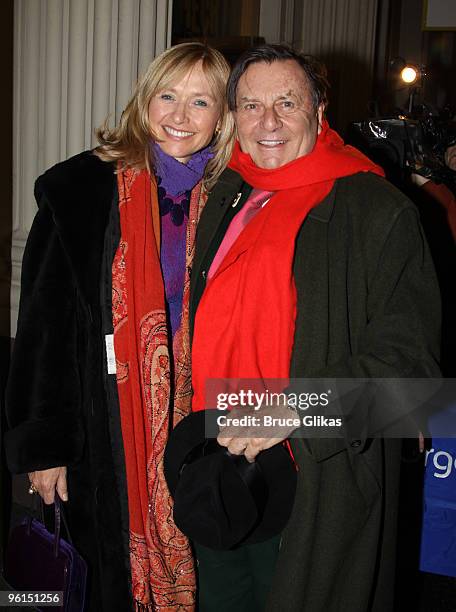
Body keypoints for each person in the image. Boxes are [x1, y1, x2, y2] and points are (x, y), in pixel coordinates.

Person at [188, 45, 441, 611]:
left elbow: (411, 377)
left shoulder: (378, 211)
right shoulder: (225, 194)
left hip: (314, 478)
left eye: (287, 103)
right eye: (251, 105)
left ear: (320, 109)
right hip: (216, 462)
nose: (268, 122)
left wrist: (289, 412)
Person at [4, 42, 234, 611]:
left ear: (224, 116)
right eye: (168, 96)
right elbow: (42, 331)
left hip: (204, 430)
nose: (180, 116)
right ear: (144, 100)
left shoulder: (238, 197)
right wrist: (44, 448)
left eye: (201, 101)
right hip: (101, 430)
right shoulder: (80, 192)